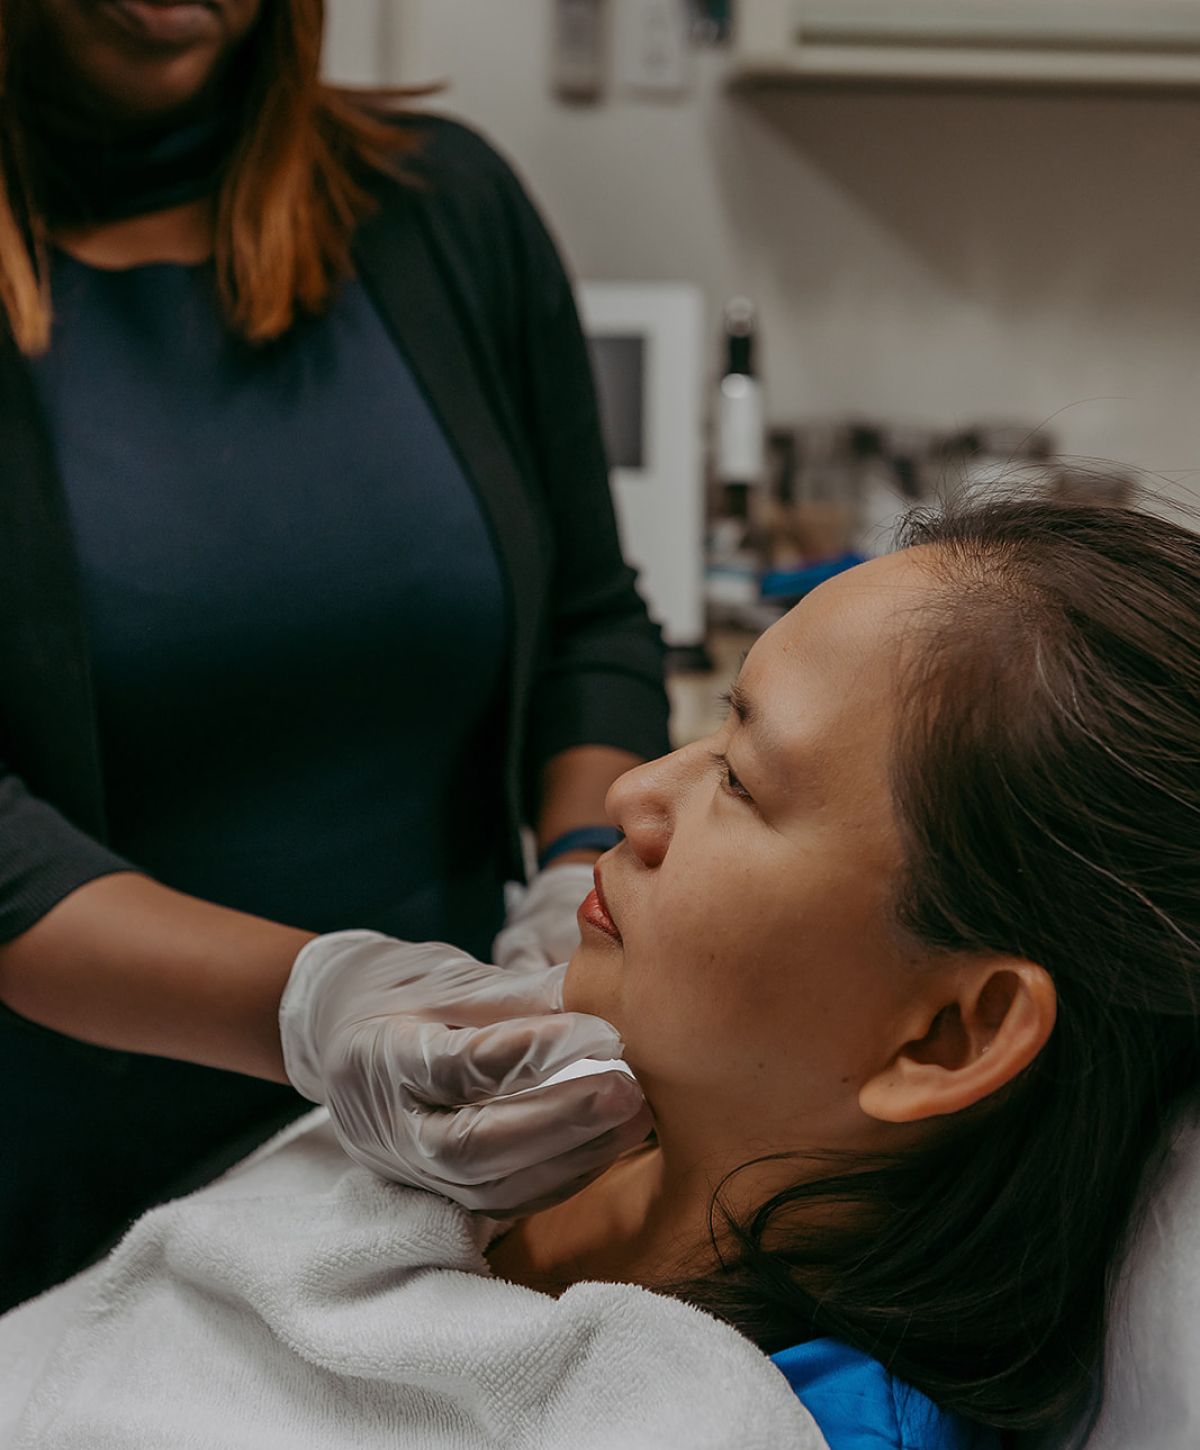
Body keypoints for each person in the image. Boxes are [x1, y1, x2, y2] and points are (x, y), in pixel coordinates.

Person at [7, 495, 1196, 1450]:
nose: (631, 796)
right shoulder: (549, 1137)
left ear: (946, 1038)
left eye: (739, 781)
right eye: (712, 728)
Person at [0, 0, 668, 1311]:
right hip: (51, 1198)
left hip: (430, 1170)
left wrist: (577, 884)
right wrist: (322, 1006)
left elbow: (592, 620)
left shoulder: (442, 206)